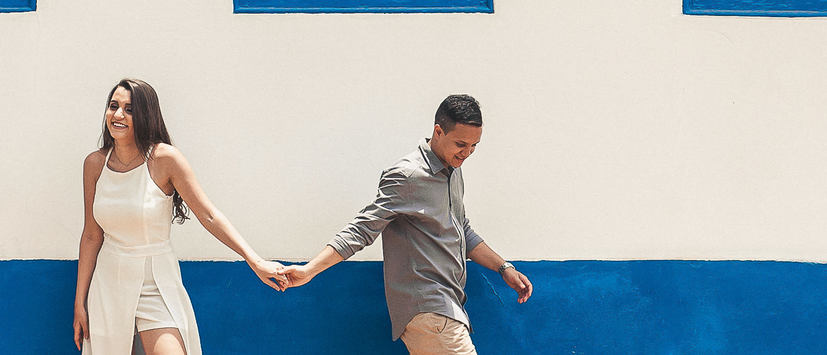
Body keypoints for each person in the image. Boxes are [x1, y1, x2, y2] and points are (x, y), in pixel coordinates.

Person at [284, 94, 531, 355]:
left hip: (448, 306)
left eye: (474, 146)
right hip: (429, 308)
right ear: (438, 131)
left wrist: (503, 268)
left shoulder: (453, 171)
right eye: (461, 144)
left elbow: (462, 230)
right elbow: (362, 228)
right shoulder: (407, 175)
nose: (467, 153)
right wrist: (309, 270)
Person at [73, 78, 287, 355]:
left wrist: (254, 260)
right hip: (108, 283)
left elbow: (209, 215)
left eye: (129, 109)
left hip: (156, 281)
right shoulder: (94, 164)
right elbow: (92, 235)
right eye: (114, 106)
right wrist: (79, 302)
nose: (118, 114)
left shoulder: (165, 159)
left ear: (146, 115)